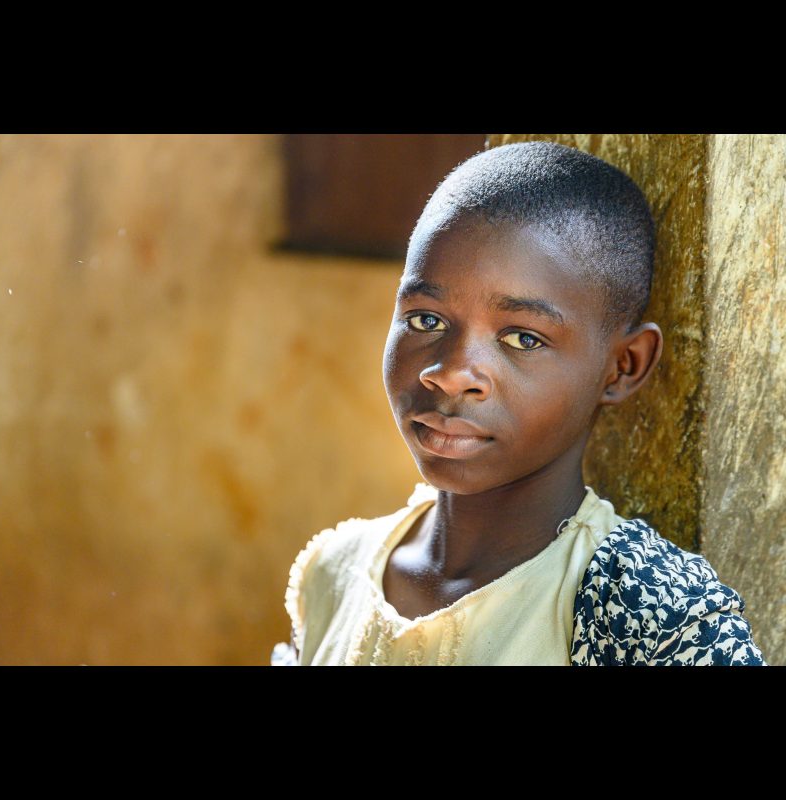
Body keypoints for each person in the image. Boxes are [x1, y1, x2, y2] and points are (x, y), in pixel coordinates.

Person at [270, 141, 769, 666]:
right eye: (426, 320)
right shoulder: (334, 574)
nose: (450, 374)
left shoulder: (646, 614)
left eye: (523, 339)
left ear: (623, 366)